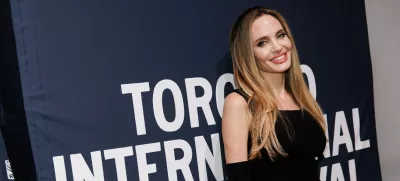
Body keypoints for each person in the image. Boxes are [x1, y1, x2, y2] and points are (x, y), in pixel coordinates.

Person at [222, 6, 327, 181]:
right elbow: (238, 177)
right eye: (262, 43)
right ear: (249, 55)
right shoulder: (239, 103)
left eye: (280, 35)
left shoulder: (300, 97)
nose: (277, 47)